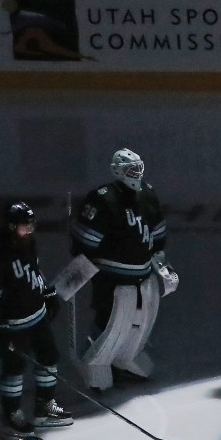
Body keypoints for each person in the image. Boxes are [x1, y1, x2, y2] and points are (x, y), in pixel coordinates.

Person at [71, 148, 169, 392]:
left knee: (138, 320)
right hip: (111, 277)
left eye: (138, 167)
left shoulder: (147, 193)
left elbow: (157, 231)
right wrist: (82, 265)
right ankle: (95, 358)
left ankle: (125, 356)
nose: (136, 173)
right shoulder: (103, 198)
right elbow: (85, 240)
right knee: (109, 318)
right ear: (117, 171)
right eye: (130, 169)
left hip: (143, 273)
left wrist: (159, 259)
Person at [0, 201, 74, 432]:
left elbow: (34, 271)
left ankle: (44, 407)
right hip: (14, 324)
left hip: (36, 316)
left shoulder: (28, 242)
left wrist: (46, 292)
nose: (29, 229)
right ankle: (12, 413)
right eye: (24, 225)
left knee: (49, 356)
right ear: (11, 227)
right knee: (14, 367)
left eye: (31, 224)